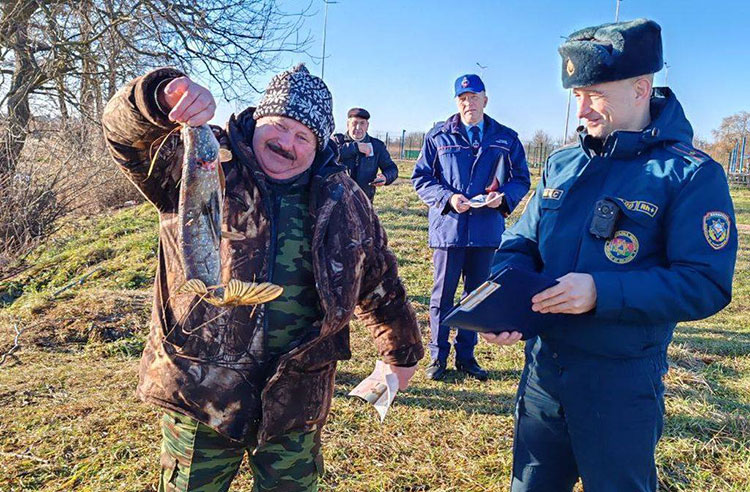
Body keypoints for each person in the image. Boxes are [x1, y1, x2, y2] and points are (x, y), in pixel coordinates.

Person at [102, 64, 424, 492]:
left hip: (296, 397)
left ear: (319, 143)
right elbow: (124, 137)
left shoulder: (345, 199)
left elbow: (380, 281)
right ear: (257, 120)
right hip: (201, 391)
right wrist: (161, 96)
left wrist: (401, 353)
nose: (286, 143)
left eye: (303, 136)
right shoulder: (200, 158)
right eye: (279, 126)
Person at [483, 19, 738, 491]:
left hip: (620, 385)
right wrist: (507, 301)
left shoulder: (689, 175)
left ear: (641, 88)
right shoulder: (562, 165)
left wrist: (602, 292)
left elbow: (705, 282)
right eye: (575, 93)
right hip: (543, 375)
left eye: (594, 92)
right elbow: (519, 244)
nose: (581, 108)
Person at [412, 74, 530, 381]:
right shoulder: (438, 136)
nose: (469, 104)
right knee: (442, 296)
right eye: (463, 99)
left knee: (477, 296)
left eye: (474, 97)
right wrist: (449, 199)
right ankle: (437, 357)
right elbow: (422, 178)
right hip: (449, 229)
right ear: (456, 102)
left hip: (486, 230)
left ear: (485, 100)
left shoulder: (505, 137)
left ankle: (466, 355)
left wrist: (503, 198)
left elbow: (521, 178)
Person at [331, 108, 399, 201]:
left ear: (367, 126)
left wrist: (386, 177)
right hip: (337, 200)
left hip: (364, 201)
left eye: (362, 123)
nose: (358, 128)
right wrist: (355, 148)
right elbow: (330, 157)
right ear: (348, 125)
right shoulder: (337, 141)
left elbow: (392, 169)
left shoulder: (377, 146)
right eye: (354, 123)